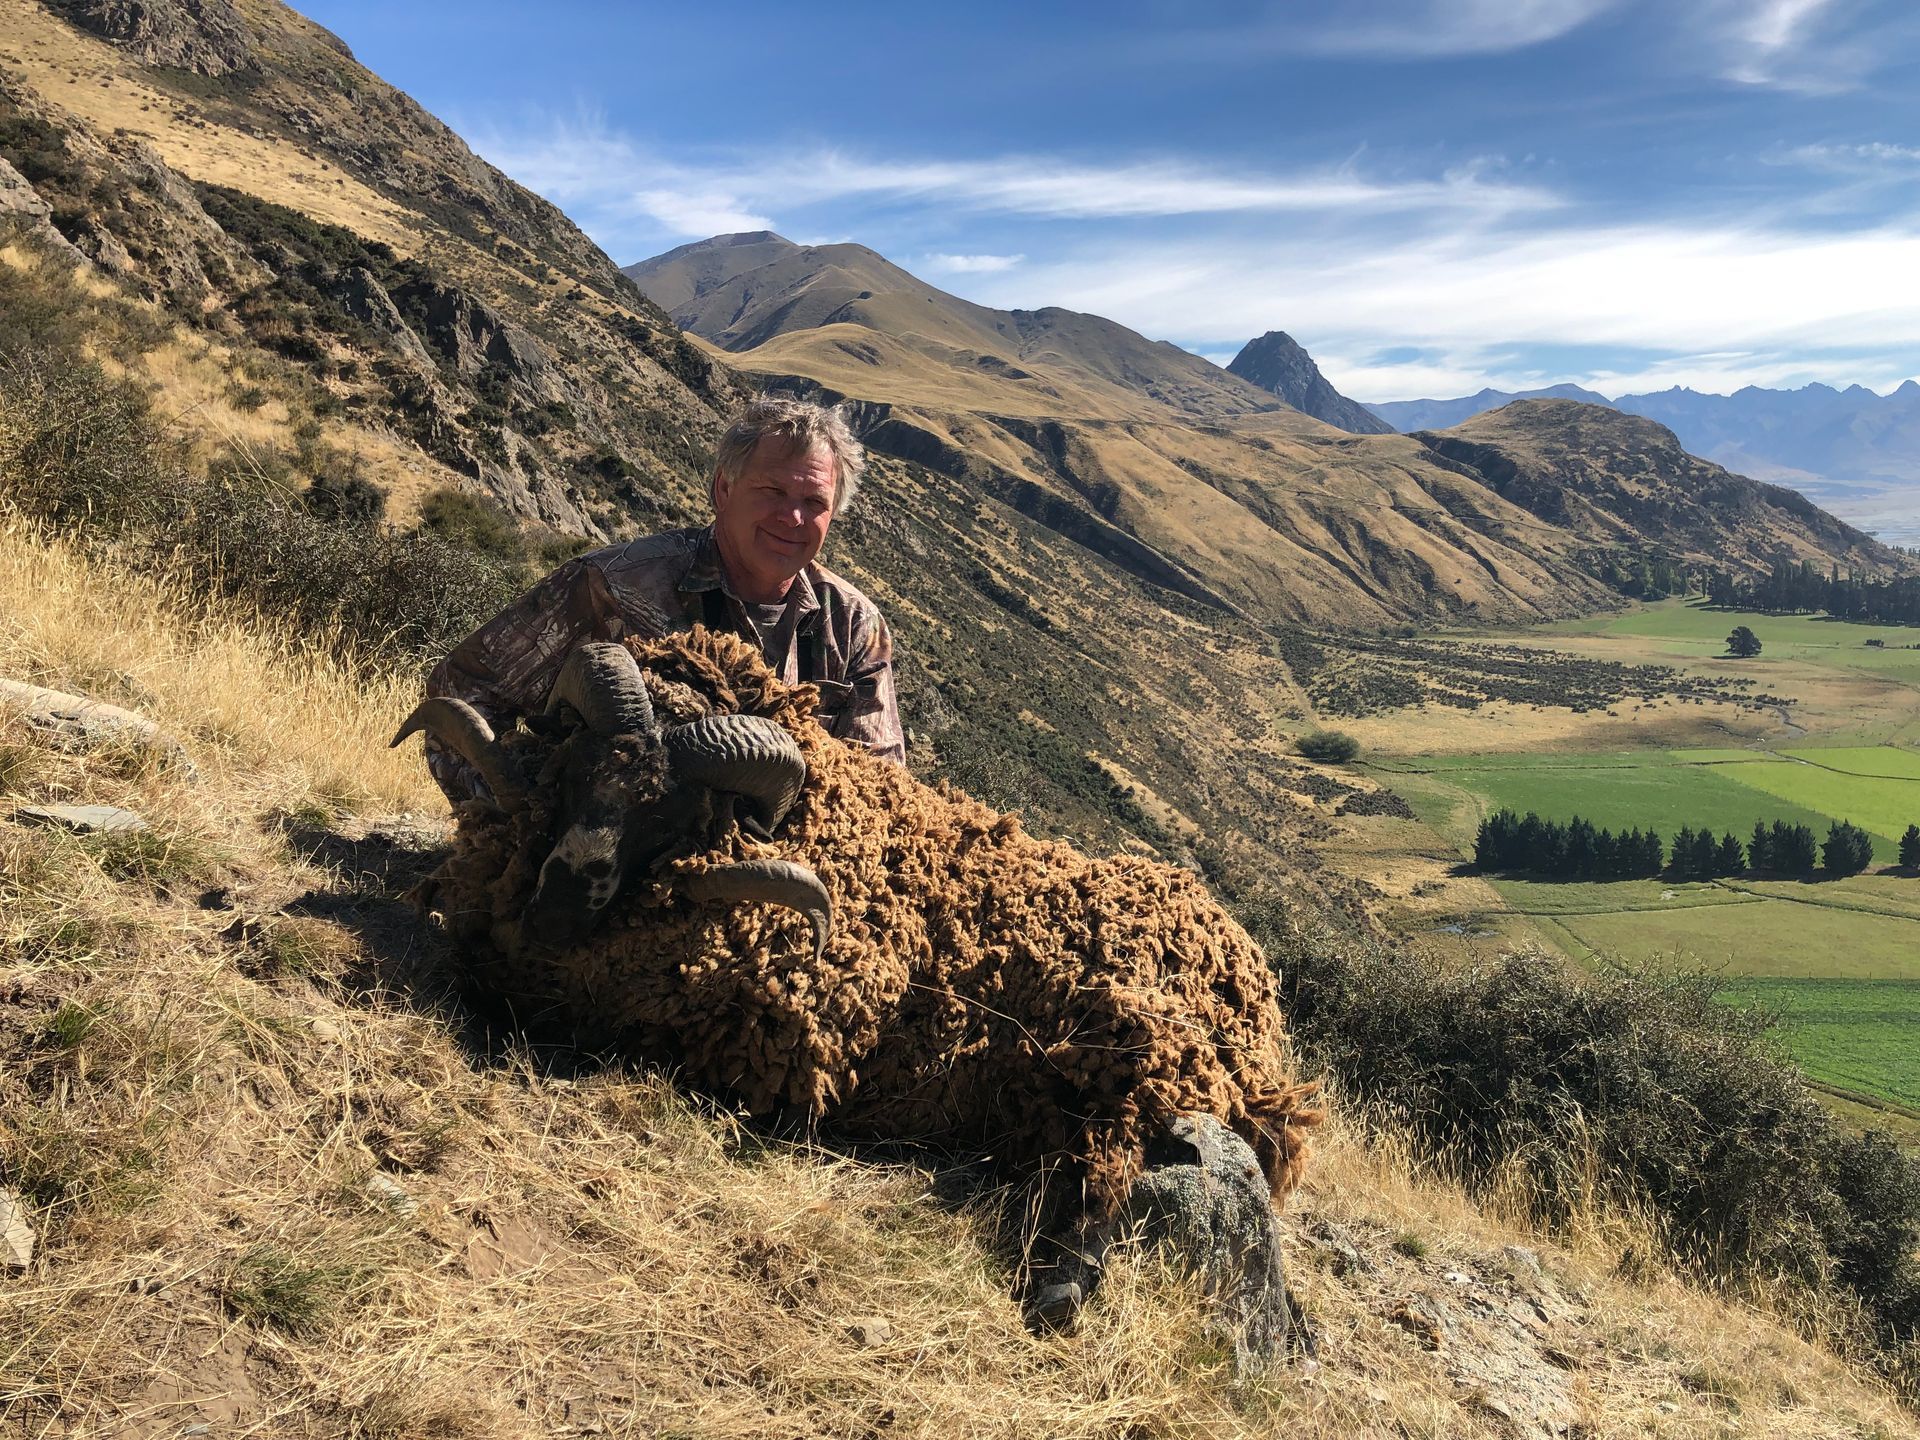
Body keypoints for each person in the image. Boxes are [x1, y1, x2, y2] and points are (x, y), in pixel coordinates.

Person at [422, 395, 905, 803]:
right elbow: (462, 689)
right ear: (723, 488)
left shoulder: (854, 625)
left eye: (814, 503)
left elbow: (878, 786)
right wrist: (523, 818)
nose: (793, 518)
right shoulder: (612, 586)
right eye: (772, 491)